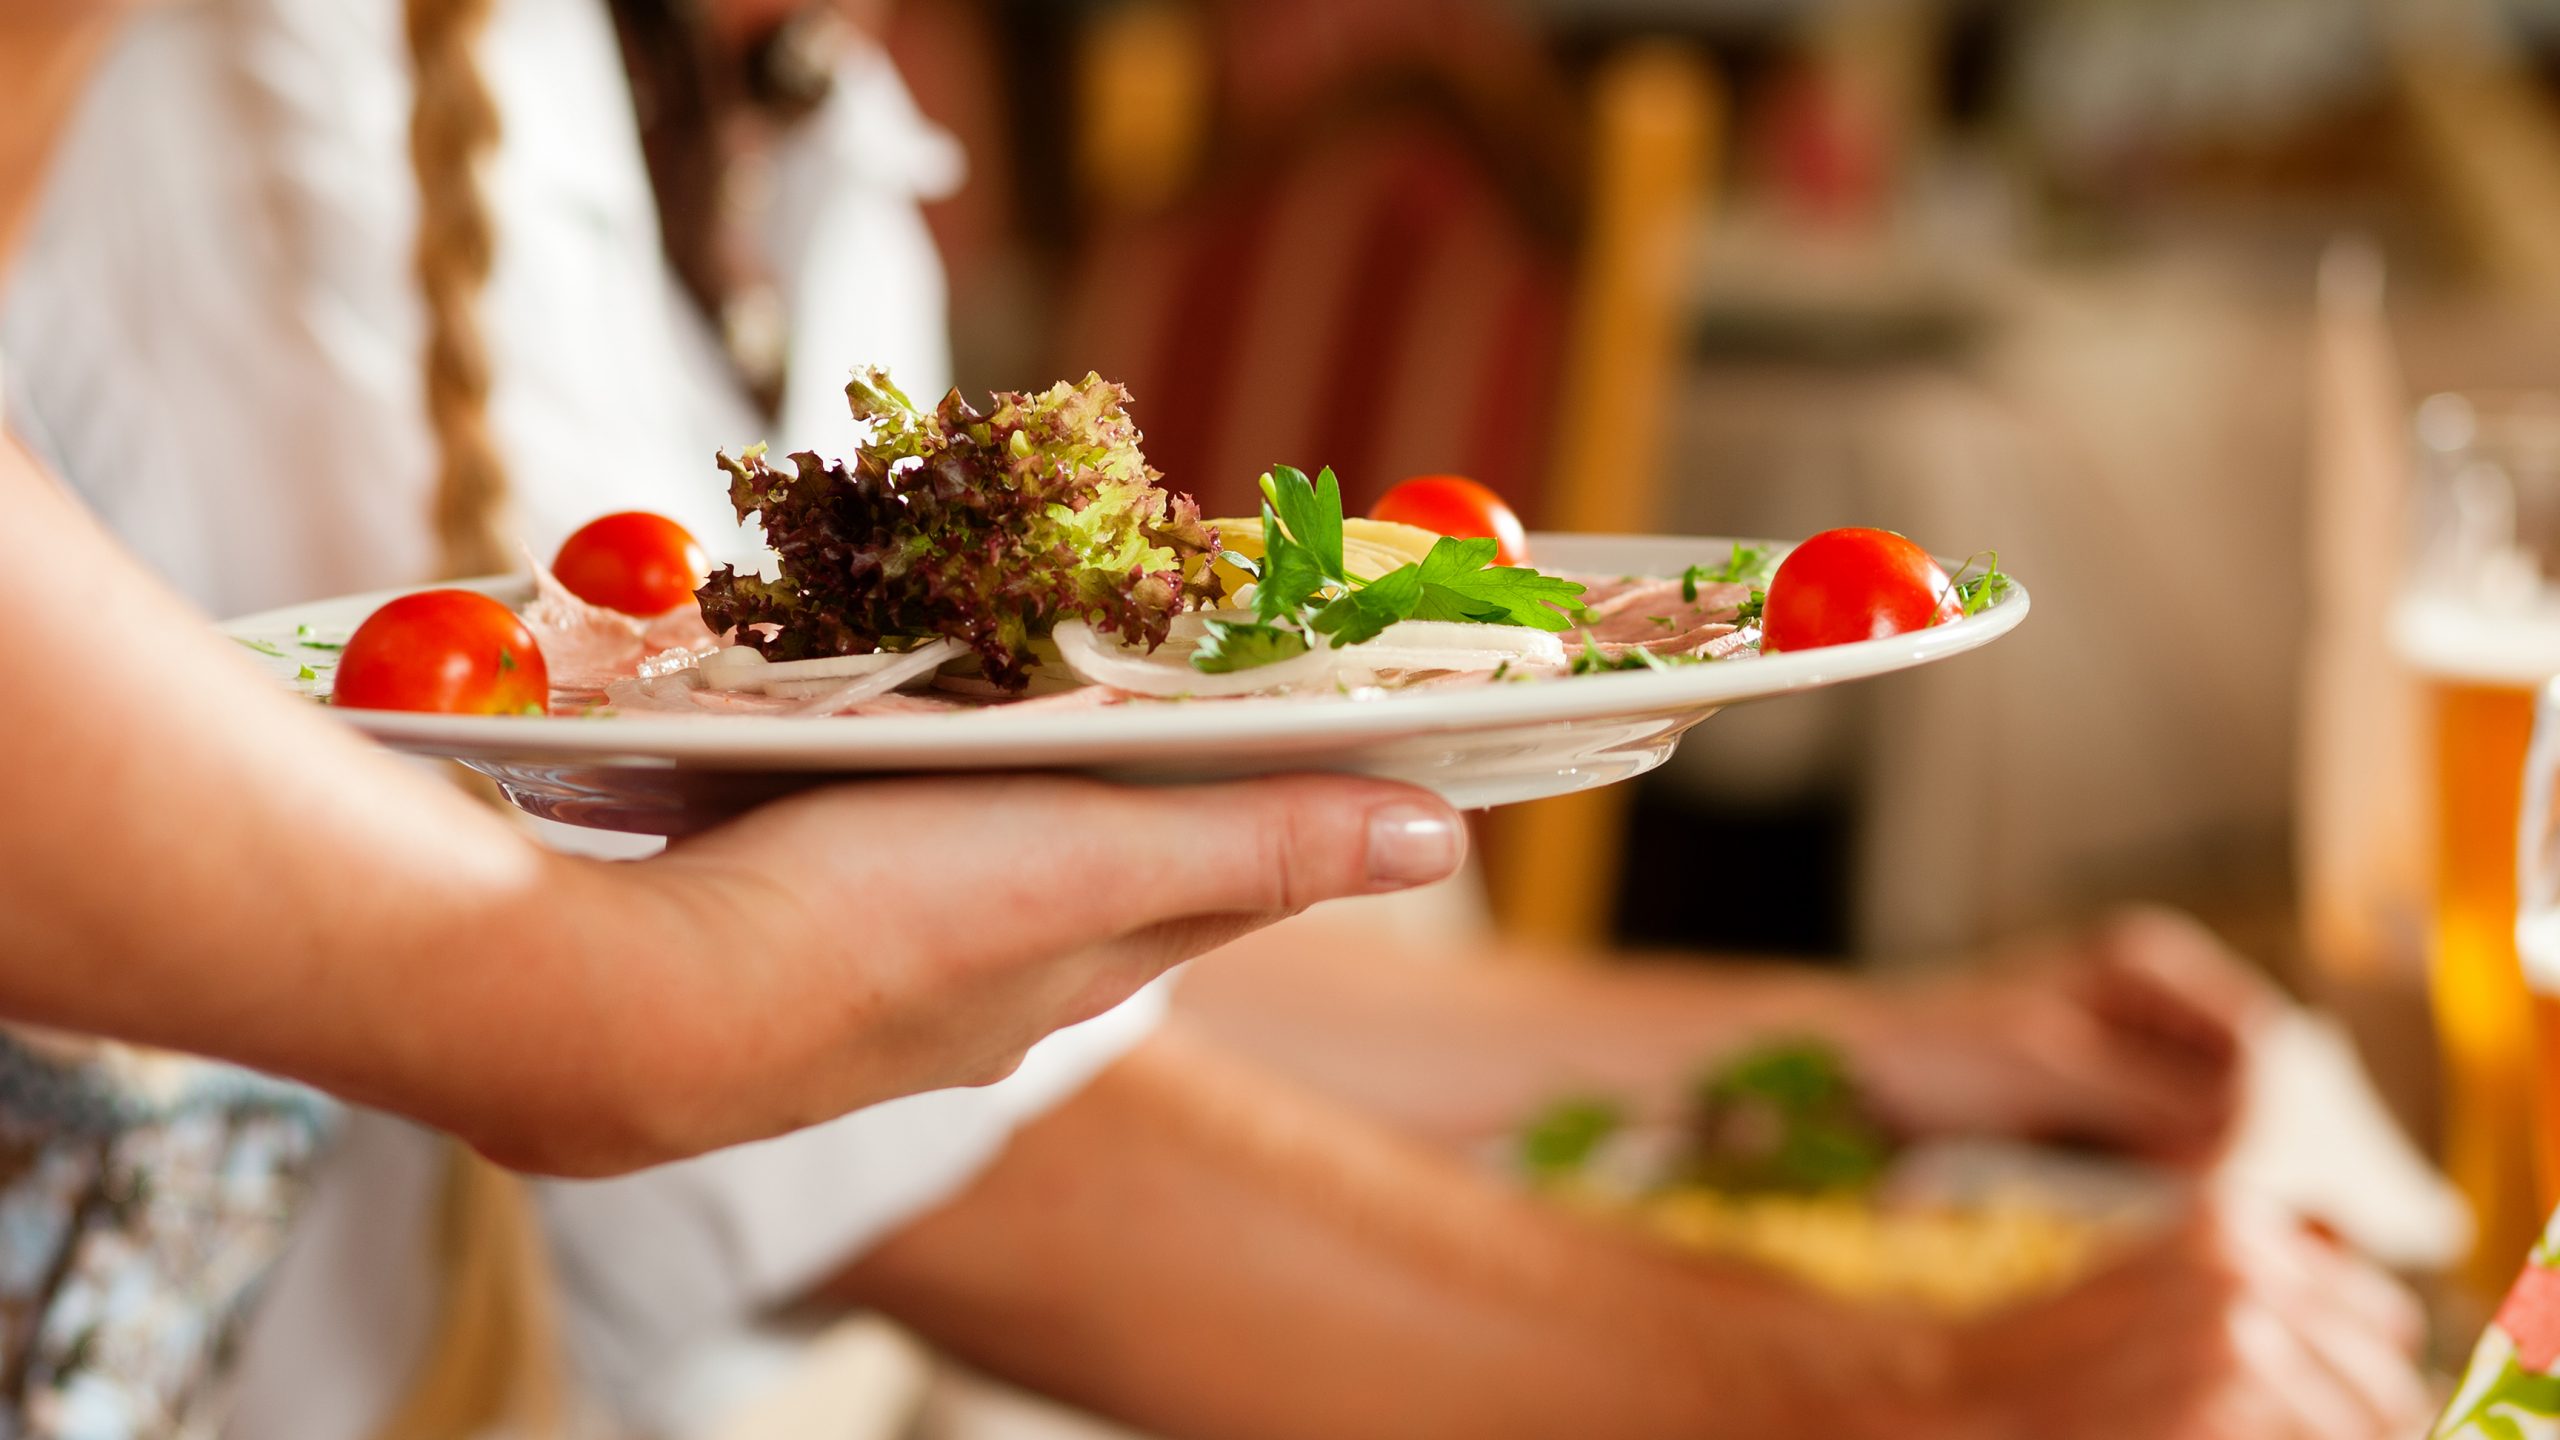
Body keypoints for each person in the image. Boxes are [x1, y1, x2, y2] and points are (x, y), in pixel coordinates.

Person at [1, 4, 2430, 1439]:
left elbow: (1021, 950)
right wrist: (1928, 1395)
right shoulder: (296, 82)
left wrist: (1864, 1042)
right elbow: (858, 1136)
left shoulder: (790, 106)